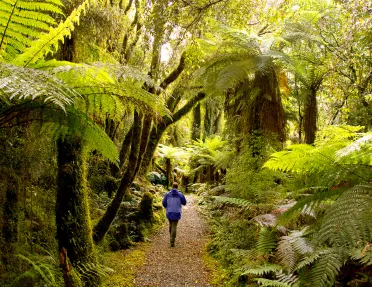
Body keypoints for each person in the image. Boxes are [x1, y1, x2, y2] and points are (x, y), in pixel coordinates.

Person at [162, 182, 187, 247]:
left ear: (172, 187)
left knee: (170, 224)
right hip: (177, 212)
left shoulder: (167, 194)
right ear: (177, 187)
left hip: (169, 212)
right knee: (174, 226)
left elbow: (164, 203)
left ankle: (171, 237)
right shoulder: (180, 194)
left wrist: (167, 207)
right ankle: (172, 242)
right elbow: (184, 203)